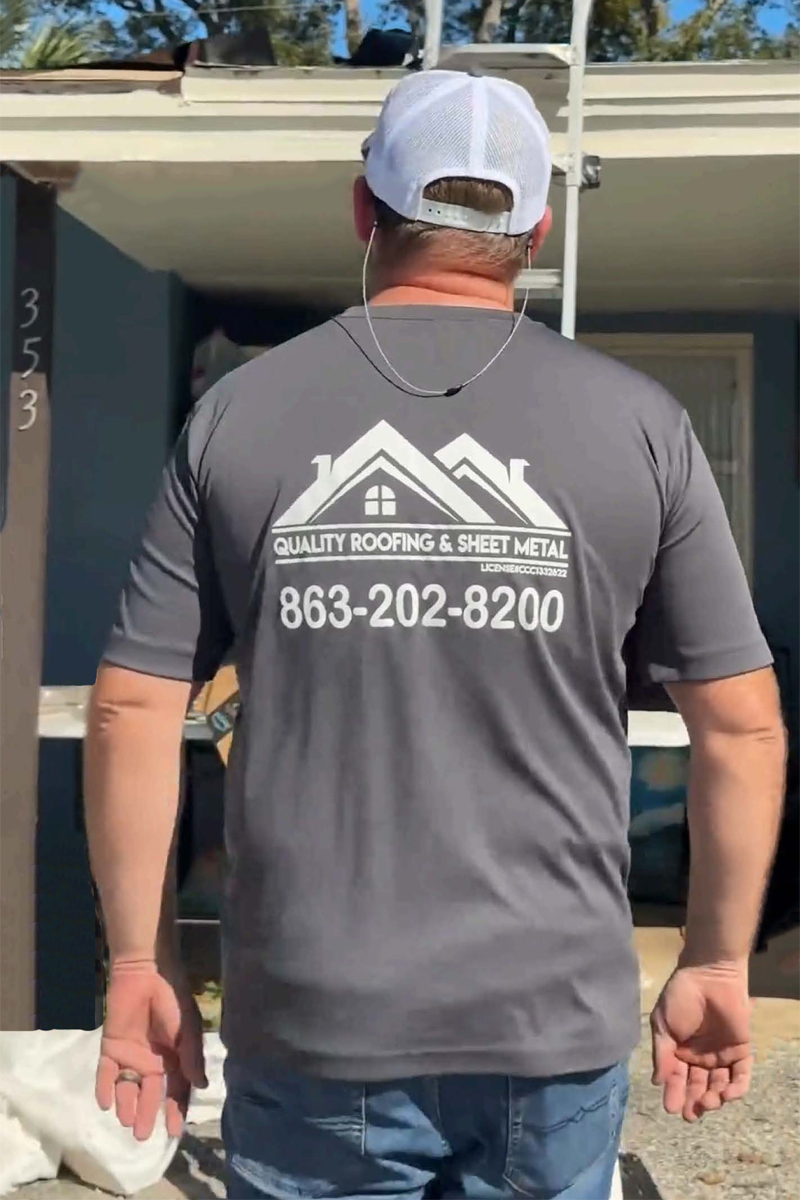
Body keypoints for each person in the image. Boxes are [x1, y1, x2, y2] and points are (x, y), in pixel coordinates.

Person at [85, 70, 786, 1200]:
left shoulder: (239, 414)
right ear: (537, 229)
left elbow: (131, 705)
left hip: (315, 1016)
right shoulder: (641, 425)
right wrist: (711, 957)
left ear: (363, 211)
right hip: (548, 1022)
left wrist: (137, 962)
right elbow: (742, 729)